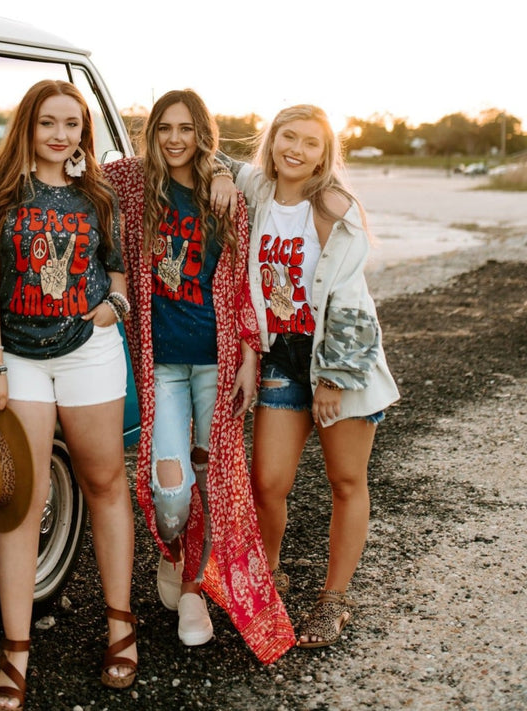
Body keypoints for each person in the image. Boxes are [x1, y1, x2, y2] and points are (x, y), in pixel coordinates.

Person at [0, 79, 138, 711]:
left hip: (89, 350)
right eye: (47, 123)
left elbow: (116, 269)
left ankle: (120, 625)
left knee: (104, 481)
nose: (60, 135)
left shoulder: (99, 195)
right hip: (18, 357)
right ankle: (15, 652)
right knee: (22, 496)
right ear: (28, 128)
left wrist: (113, 306)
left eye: (72, 124)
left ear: (82, 133)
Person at [104, 90, 295, 664]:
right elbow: (71, 164)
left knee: (211, 486)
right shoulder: (133, 186)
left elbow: (240, 282)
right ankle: (171, 551)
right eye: (165, 128)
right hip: (160, 363)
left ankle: (194, 592)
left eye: (186, 128)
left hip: (216, 362)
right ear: (153, 133)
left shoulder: (223, 196)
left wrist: (249, 357)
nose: (175, 139)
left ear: (201, 133)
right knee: (171, 493)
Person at [223, 104, 399, 648]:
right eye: (287, 137)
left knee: (346, 482)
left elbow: (349, 300)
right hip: (281, 358)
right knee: (268, 483)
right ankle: (270, 580)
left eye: (311, 143)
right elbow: (208, 155)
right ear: (271, 140)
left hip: (339, 360)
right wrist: (211, 173)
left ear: (326, 155)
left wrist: (332, 378)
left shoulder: (332, 207)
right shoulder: (255, 189)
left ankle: (333, 601)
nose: (296, 150)